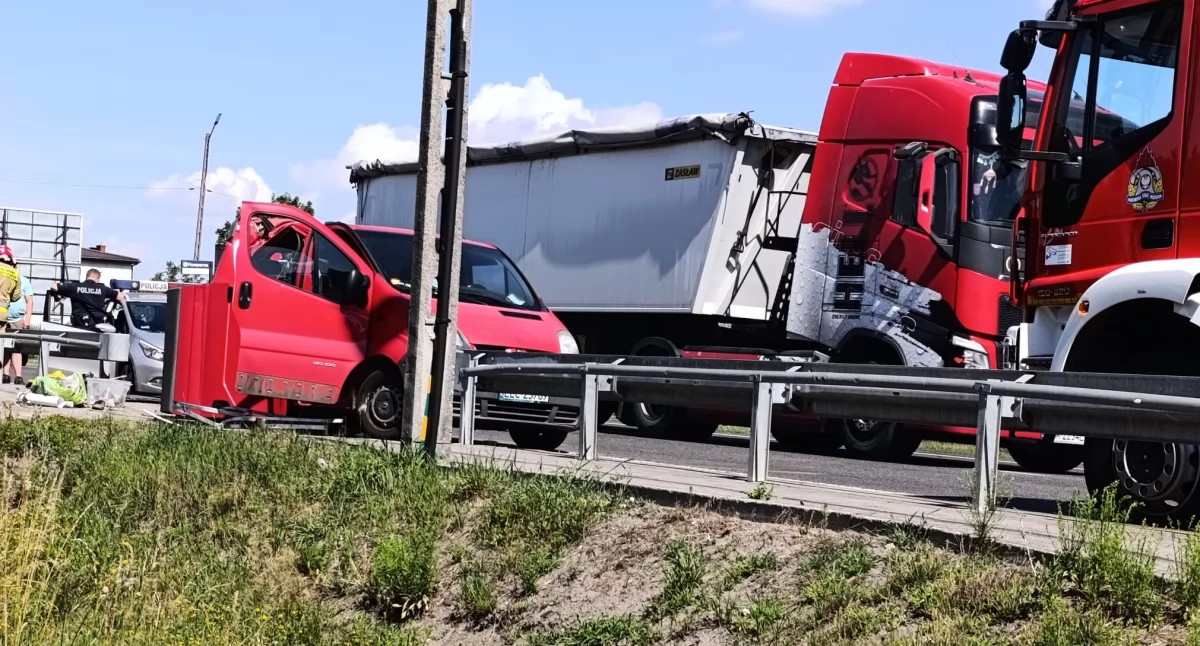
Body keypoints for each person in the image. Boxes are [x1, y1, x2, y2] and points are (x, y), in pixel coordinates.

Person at [50, 268, 125, 330]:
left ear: (87, 276)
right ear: (97, 278)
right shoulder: (103, 289)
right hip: (97, 325)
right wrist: (113, 300)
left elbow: (54, 287)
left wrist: (59, 295)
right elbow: (121, 296)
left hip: (78, 324)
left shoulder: (75, 286)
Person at [1, 253, 34, 385]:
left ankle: (18, 375)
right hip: (4, 318)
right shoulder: (8, 275)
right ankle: (5, 374)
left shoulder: (24, 281)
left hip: (17, 319)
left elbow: (29, 301)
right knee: (4, 348)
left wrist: (27, 319)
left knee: (16, 348)